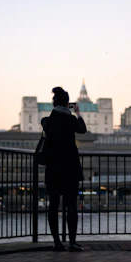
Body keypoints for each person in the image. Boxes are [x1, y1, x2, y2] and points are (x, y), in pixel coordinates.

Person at [40, 86, 87, 251]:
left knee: (53, 206)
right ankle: (72, 242)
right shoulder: (71, 120)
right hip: (70, 169)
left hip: (53, 169)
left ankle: (57, 242)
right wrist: (77, 112)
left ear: (54, 103)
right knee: (71, 206)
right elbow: (83, 129)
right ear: (67, 103)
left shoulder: (47, 121)